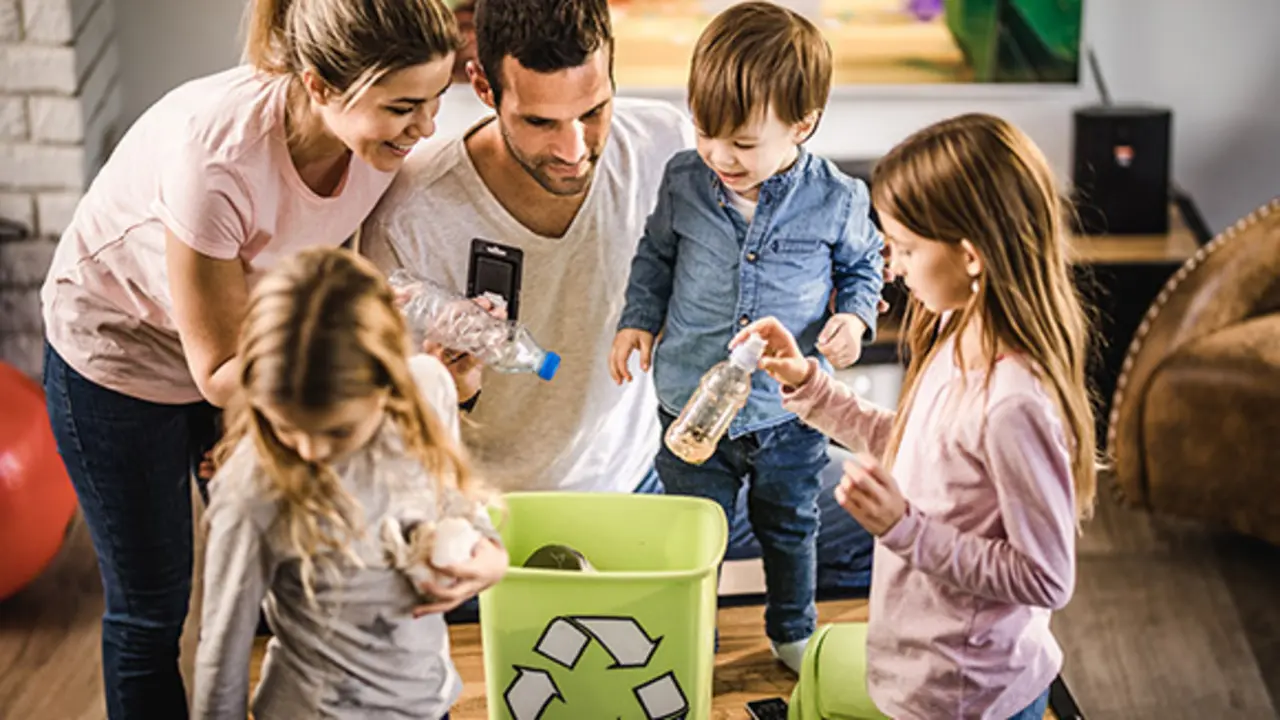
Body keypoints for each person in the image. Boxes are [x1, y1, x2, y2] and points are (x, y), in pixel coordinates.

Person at [360, 0, 877, 610]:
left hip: (656, 474)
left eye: (594, 110)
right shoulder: (411, 216)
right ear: (481, 85)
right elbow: (386, 442)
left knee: (880, 515)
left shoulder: (670, 145)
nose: (574, 148)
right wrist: (454, 391)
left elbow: (786, 207)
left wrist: (860, 289)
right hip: (499, 518)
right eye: (540, 122)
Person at [38, 0, 460, 715]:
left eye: (436, 102)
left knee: (283, 572)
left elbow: (327, 284)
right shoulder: (218, 159)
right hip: (122, 354)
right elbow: (220, 372)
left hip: (256, 355)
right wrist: (377, 371)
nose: (424, 128)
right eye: (404, 106)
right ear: (321, 85)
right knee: (153, 607)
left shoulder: (374, 146)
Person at [737, 113, 1096, 719]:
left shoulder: (1013, 403)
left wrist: (904, 527)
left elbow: (1046, 578)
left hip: (968, 694)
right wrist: (811, 387)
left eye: (903, 248)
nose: (892, 268)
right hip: (920, 667)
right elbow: (917, 445)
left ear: (971, 257)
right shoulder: (958, 330)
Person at [609, 0, 884, 672]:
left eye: (741, 142)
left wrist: (854, 317)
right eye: (706, 131)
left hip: (788, 412)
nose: (718, 155)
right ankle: (688, 632)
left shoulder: (839, 198)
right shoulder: (684, 179)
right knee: (689, 534)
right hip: (689, 399)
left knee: (790, 527)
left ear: (803, 124)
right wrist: (636, 319)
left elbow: (864, 265)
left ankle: (792, 631)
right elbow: (655, 258)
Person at [193, 248, 504, 720]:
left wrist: (490, 553)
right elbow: (221, 653)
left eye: (337, 432)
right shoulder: (252, 489)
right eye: (284, 426)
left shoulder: (429, 389)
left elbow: (453, 499)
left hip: (428, 703)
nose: (310, 451)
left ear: (388, 384)